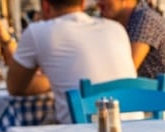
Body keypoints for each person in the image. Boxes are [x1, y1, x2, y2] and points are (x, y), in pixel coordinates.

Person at [7, 0, 135, 123]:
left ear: (45, 6)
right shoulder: (116, 29)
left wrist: (53, 81)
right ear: (83, 3)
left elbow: (15, 87)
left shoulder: (37, 31)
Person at [98, 0, 165, 91]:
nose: (98, 3)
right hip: (145, 95)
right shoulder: (119, 24)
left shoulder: (145, 19)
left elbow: (126, 71)